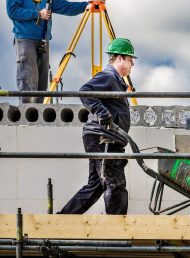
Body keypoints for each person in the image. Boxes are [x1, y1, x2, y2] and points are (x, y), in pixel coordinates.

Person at [58, 38, 137, 215]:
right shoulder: (108, 76)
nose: (132, 65)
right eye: (130, 60)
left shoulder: (116, 81)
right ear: (119, 59)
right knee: (115, 184)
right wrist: (103, 114)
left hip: (104, 137)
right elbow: (85, 92)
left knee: (95, 186)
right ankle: (118, 232)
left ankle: (64, 219)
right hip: (104, 138)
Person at [5, 0, 88, 103]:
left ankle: (39, 120)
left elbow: (66, 6)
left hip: (43, 42)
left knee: (42, 88)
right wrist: (38, 14)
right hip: (25, 40)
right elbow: (13, 11)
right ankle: (27, 118)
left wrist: (87, 5)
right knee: (29, 83)